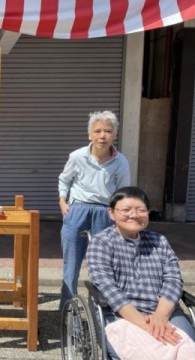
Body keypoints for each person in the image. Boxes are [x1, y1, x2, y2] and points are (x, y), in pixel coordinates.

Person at [86, 186, 195, 359]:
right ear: (111, 213)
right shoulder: (101, 243)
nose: (134, 215)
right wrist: (146, 326)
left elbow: (173, 279)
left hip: (164, 311)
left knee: (188, 348)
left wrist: (160, 316)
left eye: (141, 210)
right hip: (119, 313)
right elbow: (108, 288)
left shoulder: (159, 241)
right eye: (126, 210)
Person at [58, 110, 130, 310]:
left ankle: (101, 311)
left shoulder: (120, 162)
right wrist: (63, 202)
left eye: (108, 131)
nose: (102, 135)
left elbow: (123, 193)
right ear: (90, 134)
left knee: (102, 265)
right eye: (97, 131)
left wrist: (120, 217)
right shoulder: (77, 156)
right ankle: (67, 309)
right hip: (78, 209)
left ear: (114, 134)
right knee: (71, 264)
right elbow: (64, 179)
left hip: (105, 212)